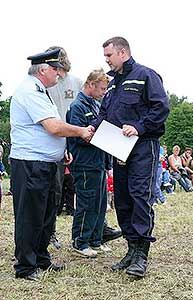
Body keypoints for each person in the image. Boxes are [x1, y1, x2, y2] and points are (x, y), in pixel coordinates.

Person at [10, 48, 93, 281]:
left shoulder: (41, 90)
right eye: (56, 69)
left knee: (47, 213)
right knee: (30, 215)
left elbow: (52, 130)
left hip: (47, 162)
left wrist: (63, 150)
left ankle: (41, 258)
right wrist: (81, 131)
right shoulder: (30, 91)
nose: (59, 74)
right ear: (44, 69)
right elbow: (54, 127)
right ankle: (26, 266)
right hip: (31, 163)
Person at [91, 37, 170, 277]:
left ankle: (141, 255)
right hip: (118, 146)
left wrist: (139, 126)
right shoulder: (113, 84)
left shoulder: (146, 75)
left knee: (139, 195)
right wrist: (93, 128)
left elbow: (161, 108)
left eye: (109, 55)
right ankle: (131, 249)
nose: (106, 60)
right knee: (123, 198)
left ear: (122, 52)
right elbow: (105, 113)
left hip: (143, 145)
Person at [67, 69, 116, 257]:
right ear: (91, 85)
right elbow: (78, 135)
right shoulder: (77, 106)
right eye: (102, 88)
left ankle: (96, 239)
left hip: (98, 162)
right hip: (85, 162)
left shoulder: (96, 105)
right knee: (87, 202)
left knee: (100, 203)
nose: (104, 92)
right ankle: (80, 241)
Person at [46, 46, 83, 248]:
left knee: (87, 187)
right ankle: (50, 232)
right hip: (55, 141)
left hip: (77, 140)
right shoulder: (45, 85)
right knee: (55, 190)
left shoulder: (76, 82)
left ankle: (89, 231)